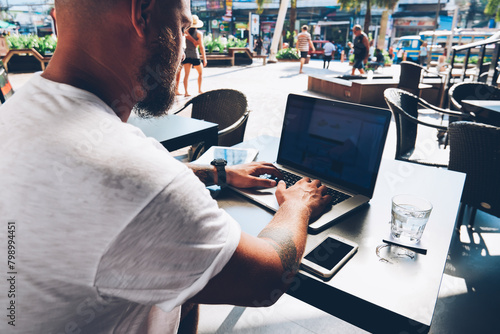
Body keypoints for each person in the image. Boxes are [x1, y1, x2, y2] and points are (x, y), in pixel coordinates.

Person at [0, 1, 330, 333]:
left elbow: (95, 187)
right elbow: (266, 277)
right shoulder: (130, 171)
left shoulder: (15, 115)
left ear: (58, 23)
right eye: (184, 28)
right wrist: (298, 206)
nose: (185, 45)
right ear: (142, 13)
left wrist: (218, 174)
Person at [182, 14, 207, 96]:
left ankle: (186, 92)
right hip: (195, 55)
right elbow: (201, 47)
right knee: (200, 73)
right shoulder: (199, 34)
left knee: (186, 74)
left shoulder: (185, 33)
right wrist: (204, 58)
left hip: (187, 55)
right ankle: (199, 89)